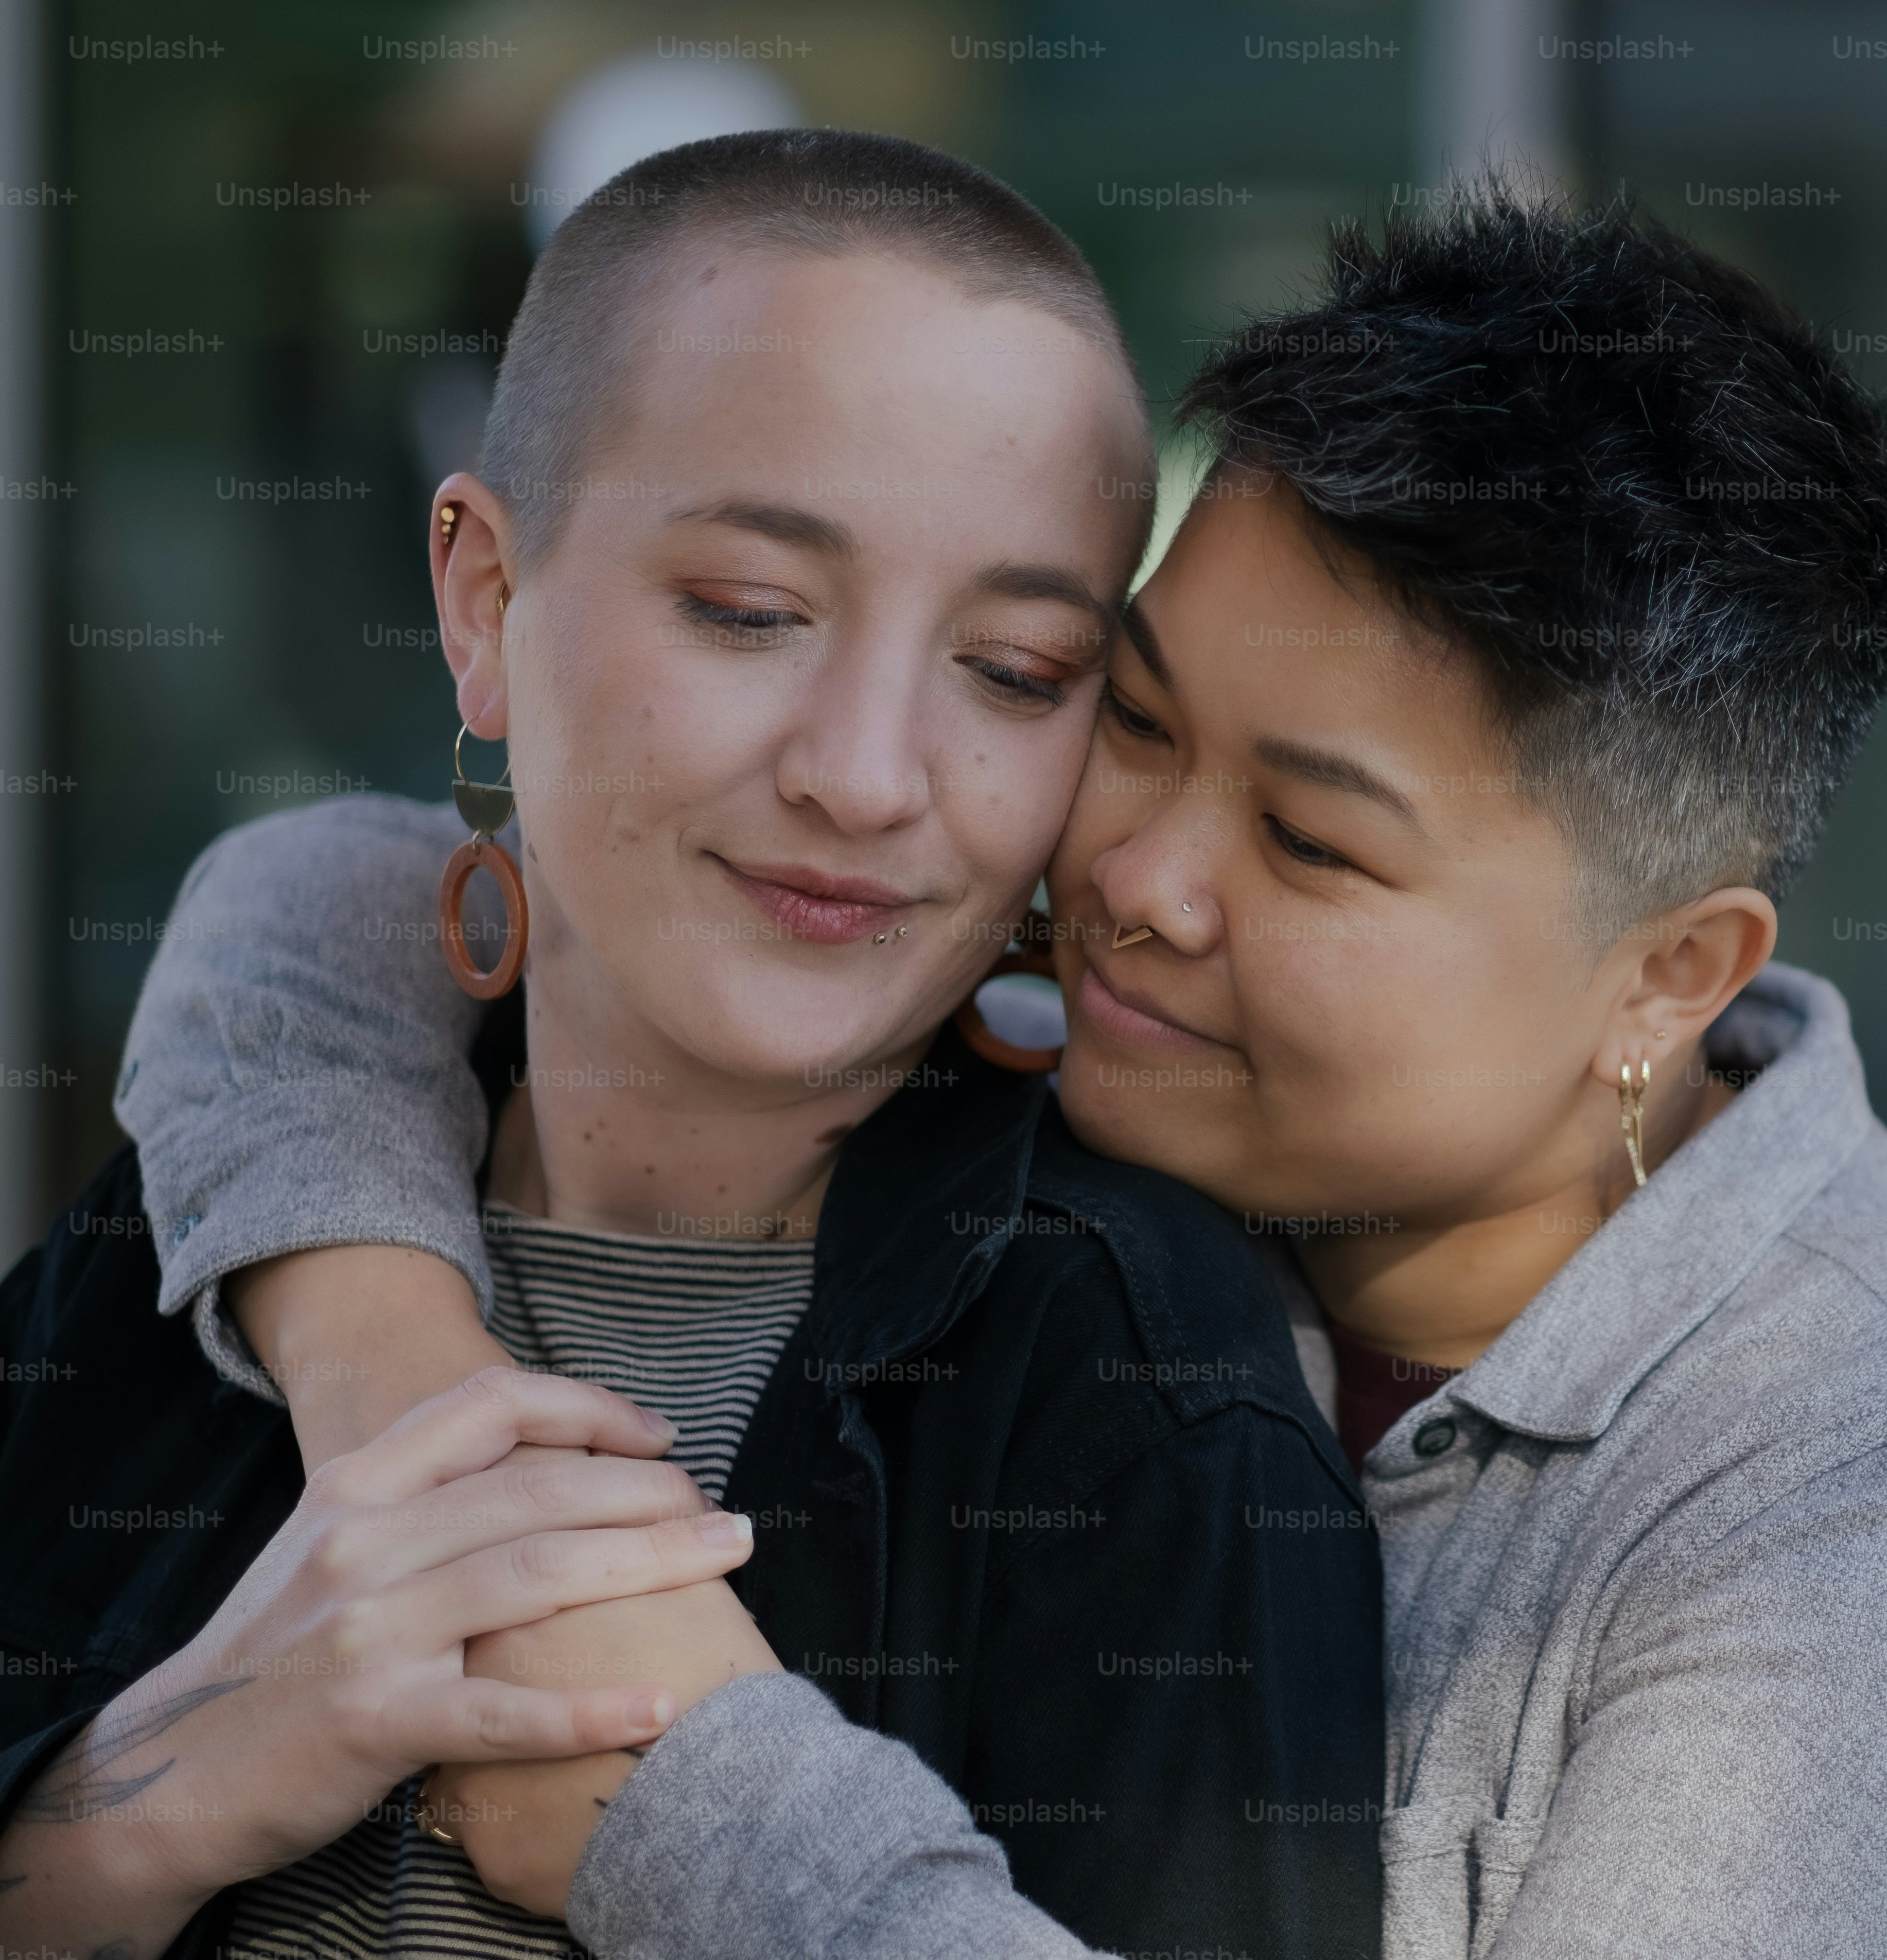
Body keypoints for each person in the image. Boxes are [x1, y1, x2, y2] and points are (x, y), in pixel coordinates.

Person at [97, 183, 1887, 1957]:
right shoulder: (1090, 1061)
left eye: (1311, 843)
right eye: (1133, 714)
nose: (1137, 879)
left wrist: (704, 1815)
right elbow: (355, 898)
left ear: (1662, 978)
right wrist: (408, 1394)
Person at [0, 131, 1382, 1960]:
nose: (870, 775)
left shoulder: (1146, 1395)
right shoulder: (167, 1271)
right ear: (486, 605)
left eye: (1019, 672)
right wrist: (146, 1804)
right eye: (750, 613)